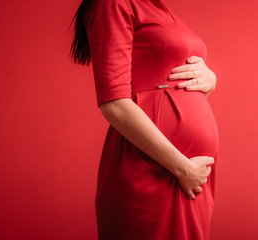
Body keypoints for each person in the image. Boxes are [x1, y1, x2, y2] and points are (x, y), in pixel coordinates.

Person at [69, 0, 220, 239]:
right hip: (155, 169)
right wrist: (182, 168)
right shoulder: (114, 3)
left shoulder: (159, 7)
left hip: (188, 176)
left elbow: (167, 79)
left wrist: (209, 79)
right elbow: (114, 104)